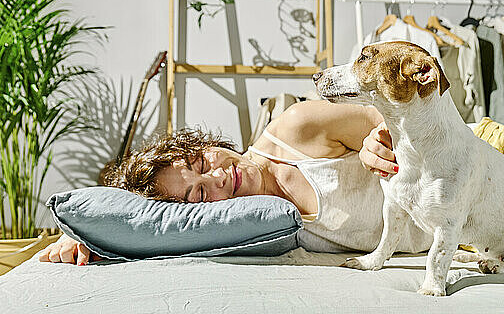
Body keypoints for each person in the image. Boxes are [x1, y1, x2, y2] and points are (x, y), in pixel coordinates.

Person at [39, 100, 432, 266]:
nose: (216, 177)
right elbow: (143, 225)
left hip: (481, 157)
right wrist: (80, 235)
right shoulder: (248, 229)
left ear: (204, 144)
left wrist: (374, 142)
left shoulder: (295, 127)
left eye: (199, 161)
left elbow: (396, 118)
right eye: (198, 193)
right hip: (462, 236)